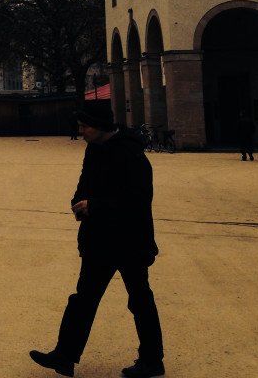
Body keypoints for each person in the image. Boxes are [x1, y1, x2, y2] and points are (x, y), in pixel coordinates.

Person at [30, 111, 164, 378]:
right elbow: (84, 183)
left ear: (102, 126)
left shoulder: (132, 154)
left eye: (85, 127)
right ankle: (64, 356)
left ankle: (152, 361)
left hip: (130, 240)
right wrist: (78, 202)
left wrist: (95, 206)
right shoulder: (94, 149)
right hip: (99, 239)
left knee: (140, 301)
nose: (81, 132)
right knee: (83, 299)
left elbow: (138, 200)